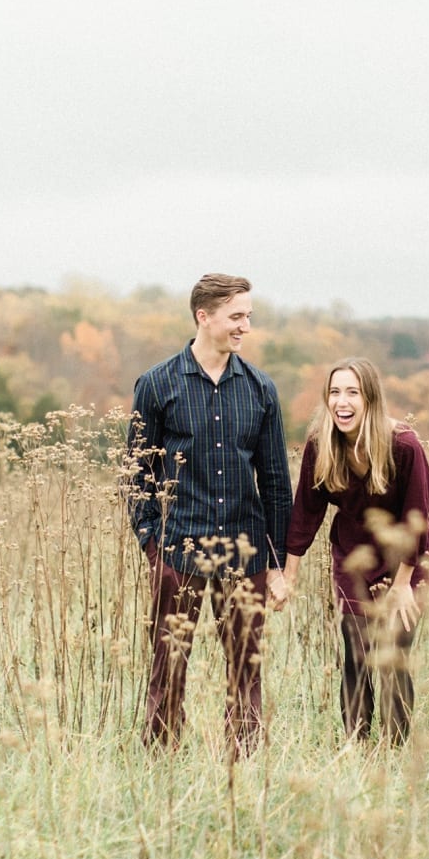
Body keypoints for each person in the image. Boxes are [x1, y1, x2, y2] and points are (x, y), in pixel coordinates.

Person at [126, 273, 292, 757]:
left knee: (246, 671)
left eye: (248, 317)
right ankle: (160, 765)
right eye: (236, 316)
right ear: (205, 316)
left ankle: (243, 768)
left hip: (246, 556)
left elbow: (277, 483)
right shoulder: (157, 384)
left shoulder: (261, 390)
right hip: (178, 550)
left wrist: (277, 564)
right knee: (168, 668)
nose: (245, 327)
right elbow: (137, 473)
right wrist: (152, 543)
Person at [274, 356, 429, 745]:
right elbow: (305, 513)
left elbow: (418, 518)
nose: (341, 402)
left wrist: (401, 585)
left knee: (394, 655)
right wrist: (288, 574)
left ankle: (394, 748)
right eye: (334, 392)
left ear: (370, 399)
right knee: (358, 651)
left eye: (352, 392)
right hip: (353, 557)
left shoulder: (403, 446)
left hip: (406, 560)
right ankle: (357, 746)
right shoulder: (321, 444)